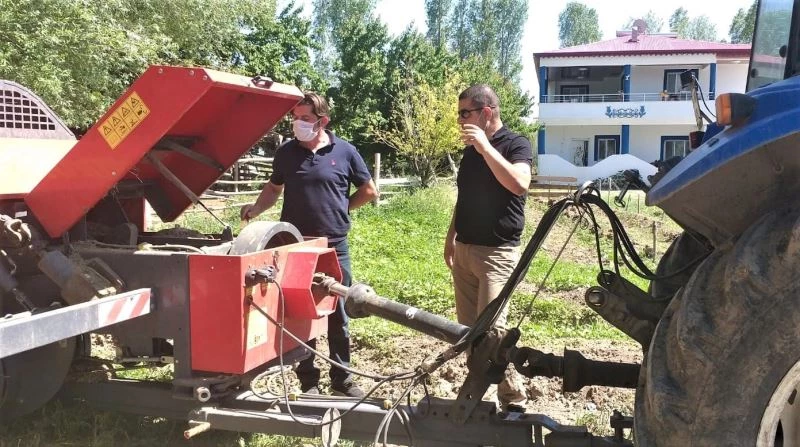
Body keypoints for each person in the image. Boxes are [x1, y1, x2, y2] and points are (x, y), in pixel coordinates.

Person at [241, 92, 378, 397]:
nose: (297, 124)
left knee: (338, 312)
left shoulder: (345, 151)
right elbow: (273, 188)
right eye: (295, 118)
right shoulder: (287, 153)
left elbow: (369, 190)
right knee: (302, 313)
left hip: (334, 245)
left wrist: (342, 208)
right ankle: (308, 381)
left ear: (322, 121)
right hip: (297, 245)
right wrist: (256, 208)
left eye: (305, 118)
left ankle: (342, 379)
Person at [444, 84, 533, 412]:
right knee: (470, 335)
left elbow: (519, 183)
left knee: (493, 334)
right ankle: (483, 402)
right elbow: (464, 197)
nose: (460, 120)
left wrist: (485, 148)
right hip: (466, 251)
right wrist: (451, 236)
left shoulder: (516, 144)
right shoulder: (470, 152)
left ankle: (513, 399)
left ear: (485, 112)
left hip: (497, 255)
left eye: (464, 113)